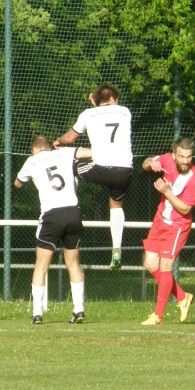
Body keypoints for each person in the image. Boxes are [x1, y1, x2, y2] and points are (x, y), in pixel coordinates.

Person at [14, 137, 93, 324]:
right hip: (73, 213)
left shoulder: (31, 161)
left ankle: (37, 313)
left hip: (51, 215)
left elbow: (18, 183)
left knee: (41, 266)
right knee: (73, 264)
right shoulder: (63, 154)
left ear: (33, 149)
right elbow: (89, 155)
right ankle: (79, 310)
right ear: (50, 147)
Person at [55, 84, 133, 269]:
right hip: (124, 171)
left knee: (67, 161)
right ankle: (116, 248)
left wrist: (58, 142)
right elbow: (108, 107)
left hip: (101, 169)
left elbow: (70, 138)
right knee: (115, 205)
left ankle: (67, 209)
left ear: (94, 101)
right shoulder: (125, 112)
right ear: (115, 99)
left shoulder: (88, 114)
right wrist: (96, 100)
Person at [140, 137, 195, 325]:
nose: (185, 161)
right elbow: (145, 165)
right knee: (150, 265)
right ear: (174, 154)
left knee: (165, 267)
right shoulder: (166, 159)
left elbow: (184, 209)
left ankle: (158, 316)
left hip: (177, 226)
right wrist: (150, 163)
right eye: (181, 156)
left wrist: (167, 192)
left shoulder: (194, 179)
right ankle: (183, 297)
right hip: (160, 220)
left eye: (189, 157)